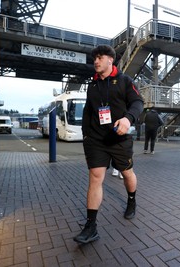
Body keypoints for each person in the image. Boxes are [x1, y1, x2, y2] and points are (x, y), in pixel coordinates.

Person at [74, 45, 144, 244]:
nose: (96, 61)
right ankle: (91, 225)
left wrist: (128, 119)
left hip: (119, 139)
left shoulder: (124, 81)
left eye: (100, 57)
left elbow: (138, 102)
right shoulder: (93, 84)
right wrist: (86, 134)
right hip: (96, 140)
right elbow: (89, 110)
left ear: (110, 60)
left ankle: (131, 200)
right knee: (95, 178)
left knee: (127, 172)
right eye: (94, 57)